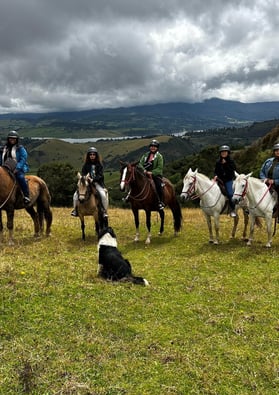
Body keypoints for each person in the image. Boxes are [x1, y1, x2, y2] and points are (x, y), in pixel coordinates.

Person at [71, 146, 108, 218]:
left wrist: (93, 180)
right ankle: (75, 210)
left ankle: (104, 211)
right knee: (75, 195)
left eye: (94, 154)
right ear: (88, 156)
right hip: (86, 184)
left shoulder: (99, 165)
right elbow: (83, 174)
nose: (92, 156)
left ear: (96, 156)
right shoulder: (85, 165)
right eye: (90, 154)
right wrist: (85, 179)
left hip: (97, 183)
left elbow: (100, 175)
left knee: (103, 195)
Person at [0, 130, 30, 204]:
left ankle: (26, 195)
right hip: (5, 168)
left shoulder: (20, 148)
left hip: (17, 168)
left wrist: (18, 168)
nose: (12, 140)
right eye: (10, 138)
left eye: (14, 138)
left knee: (20, 177)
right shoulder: (4, 148)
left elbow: (23, 159)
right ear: (8, 139)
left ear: (17, 139)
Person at [138, 139, 165, 210]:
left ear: (157, 148)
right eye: (152, 146)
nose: (153, 148)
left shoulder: (159, 156)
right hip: (145, 174)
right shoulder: (146, 155)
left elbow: (160, 168)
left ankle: (160, 202)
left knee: (158, 185)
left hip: (155, 175)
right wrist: (143, 169)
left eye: (155, 146)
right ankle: (129, 197)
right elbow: (140, 164)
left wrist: (152, 172)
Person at [214, 144, 237, 217]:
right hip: (219, 180)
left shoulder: (231, 161)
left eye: (225, 152)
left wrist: (226, 164)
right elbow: (215, 171)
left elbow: (232, 171)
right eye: (222, 152)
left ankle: (232, 210)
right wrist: (215, 176)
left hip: (228, 180)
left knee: (230, 194)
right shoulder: (218, 162)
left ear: (228, 153)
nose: (223, 153)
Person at [259, 142, 279, 220]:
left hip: (277, 185)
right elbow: (261, 171)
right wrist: (265, 179)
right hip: (266, 183)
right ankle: (251, 209)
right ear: (274, 152)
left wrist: (275, 181)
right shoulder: (268, 161)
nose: (278, 152)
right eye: (276, 150)